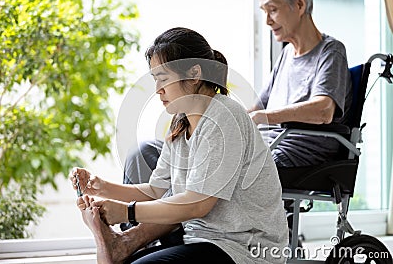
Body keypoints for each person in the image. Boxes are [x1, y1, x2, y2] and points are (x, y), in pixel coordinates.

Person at [72, 27, 289, 264]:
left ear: (195, 73)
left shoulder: (224, 117)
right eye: (155, 80)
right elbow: (155, 190)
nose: (158, 90)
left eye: (163, 79)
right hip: (199, 239)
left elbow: (198, 205)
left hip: (243, 249)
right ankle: (120, 244)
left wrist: (127, 211)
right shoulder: (180, 123)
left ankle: (122, 243)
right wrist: (101, 187)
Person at [123, 0, 352, 188]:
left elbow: (324, 110)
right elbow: (256, 108)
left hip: (292, 154)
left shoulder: (331, 52)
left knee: (197, 167)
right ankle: (142, 236)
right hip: (261, 147)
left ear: (300, 4)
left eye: (272, 10)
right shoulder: (285, 56)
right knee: (146, 153)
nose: (267, 21)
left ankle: (163, 236)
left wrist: (265, 118)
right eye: (263, 11)